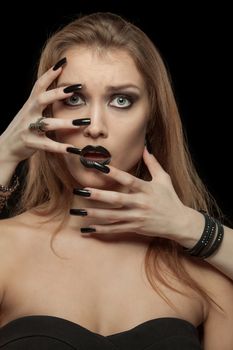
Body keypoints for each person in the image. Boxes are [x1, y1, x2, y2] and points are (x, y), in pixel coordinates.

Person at [0, 12, 232, 349]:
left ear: (151, 121)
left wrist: (193, 228)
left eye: (121, 100)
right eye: (73, 99)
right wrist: (4, 154)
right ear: (45, 114)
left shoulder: (206, 270)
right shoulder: (7, 249)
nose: (95, 126)